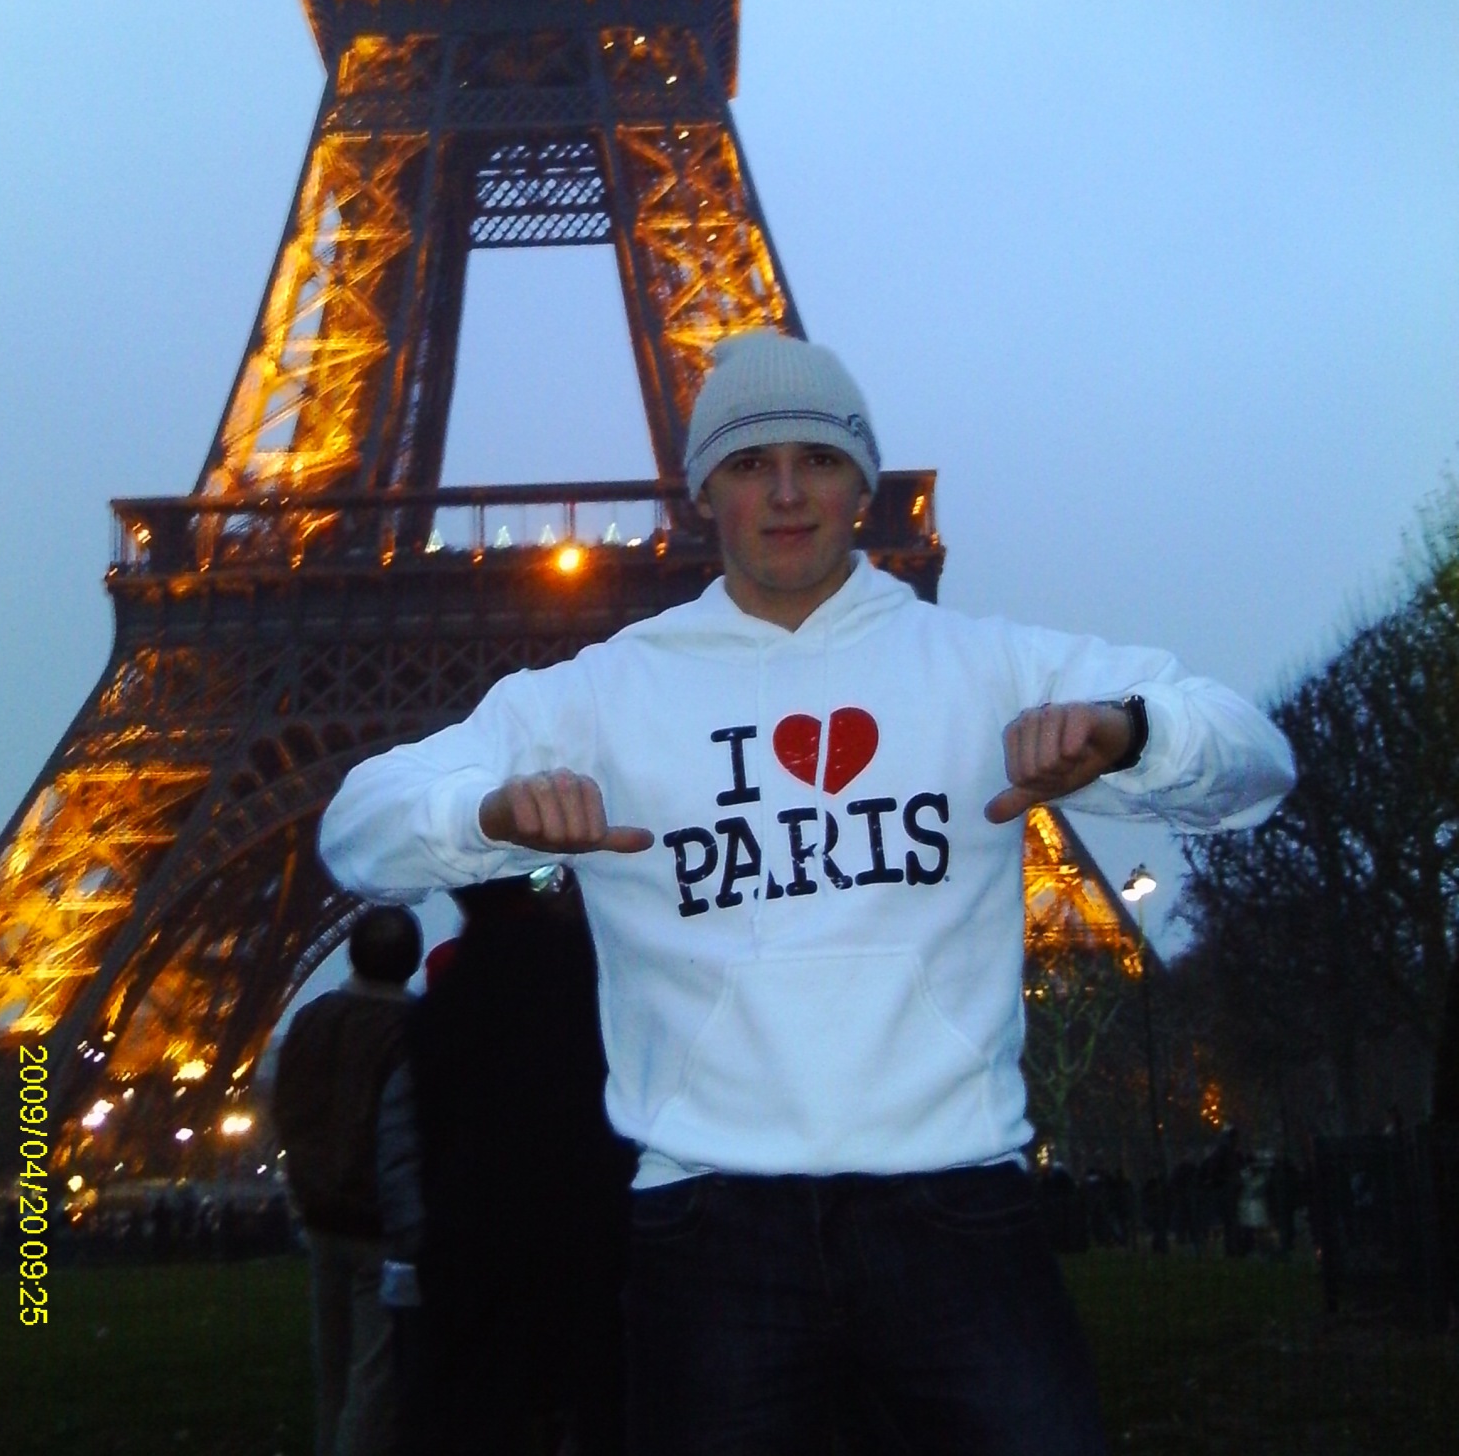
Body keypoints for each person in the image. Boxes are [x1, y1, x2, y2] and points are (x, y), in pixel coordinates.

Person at [321, 329, 1295, 1456]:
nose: (786, 492)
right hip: (710, 1224)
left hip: (954, 1206)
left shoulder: (981, 668)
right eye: (749, 463)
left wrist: (1128, 732)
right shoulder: (606, 694)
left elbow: (1255, 759)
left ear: (862, 485)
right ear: (705, 492)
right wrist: (487, 818)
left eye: (818, 459)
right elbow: (358, 827)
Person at [377, 873, 634, 1455]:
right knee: (604, 1397)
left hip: (475, 1235)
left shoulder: (448, 999)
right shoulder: (583, 966)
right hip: (588, 1227)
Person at [274, 904, 422, 1456]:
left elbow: (287, 1108)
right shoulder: (413, 1030)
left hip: (320, 1216)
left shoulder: (311, 1020)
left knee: (332, 1374)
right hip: (377, 1225)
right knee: (373, 1381)